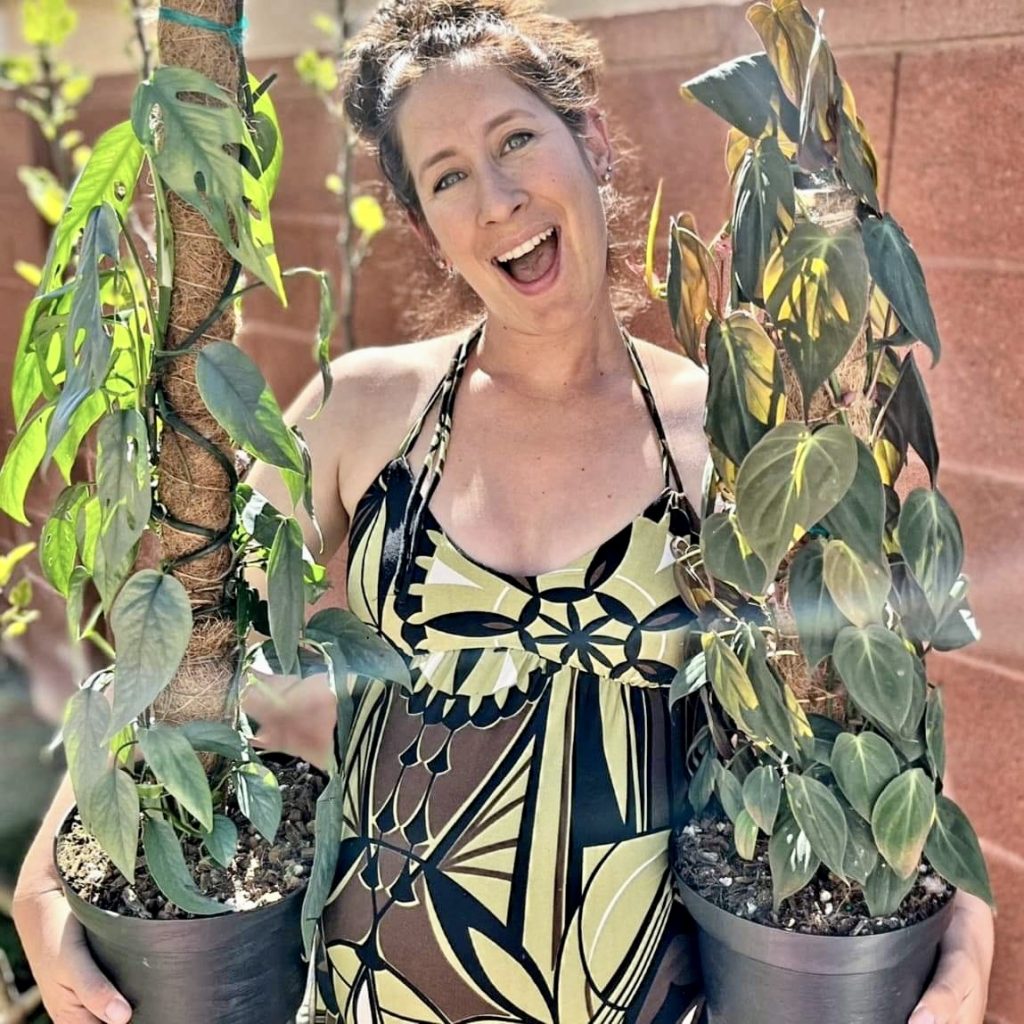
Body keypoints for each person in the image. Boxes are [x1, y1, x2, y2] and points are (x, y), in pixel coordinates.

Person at [12, 1, 995, 1022]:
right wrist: (53, 865)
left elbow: (871, 725)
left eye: (516, 138)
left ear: (594, 140)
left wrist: (962, 926)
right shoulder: (363, 409)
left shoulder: (732, 439)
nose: (496, 199)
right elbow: (179, 643)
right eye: (445, 177)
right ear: (425, 225)